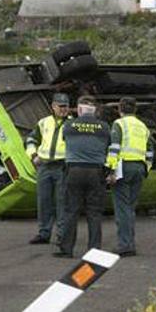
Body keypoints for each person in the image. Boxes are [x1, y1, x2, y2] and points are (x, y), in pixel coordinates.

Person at [55, 96, 110, 258]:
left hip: (74, 169)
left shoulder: (69, 125)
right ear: (95, 110)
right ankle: (94, 251)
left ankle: (66, 249)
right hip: (96, 171)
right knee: (94, 212)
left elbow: (65, 140)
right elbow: (108, 145)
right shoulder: (104, 127)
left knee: (71, 210)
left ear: (79, 109)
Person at [106, 97, 153, 257]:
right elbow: (150, 150)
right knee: (130, 207)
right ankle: (129, 243)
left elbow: (114, 148)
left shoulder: (119, 124)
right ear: (135, 110)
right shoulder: (143, 126)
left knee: (122, 208)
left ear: (120, 109)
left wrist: (111, 170)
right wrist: (146, 167)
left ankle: (125, 245)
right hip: (139, 168)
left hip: (123, 168)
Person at [25, 93, 70, 245]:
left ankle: (62, 235)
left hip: (62, 167)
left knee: (62, 202)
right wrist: (33, 155)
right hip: (44, 166)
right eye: (61, 106)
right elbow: (31, 139)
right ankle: (44, 233)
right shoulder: (44, 122)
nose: (64, 109)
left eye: (66, 106)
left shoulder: (72, 124)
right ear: (53, 106)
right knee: (44, 201)